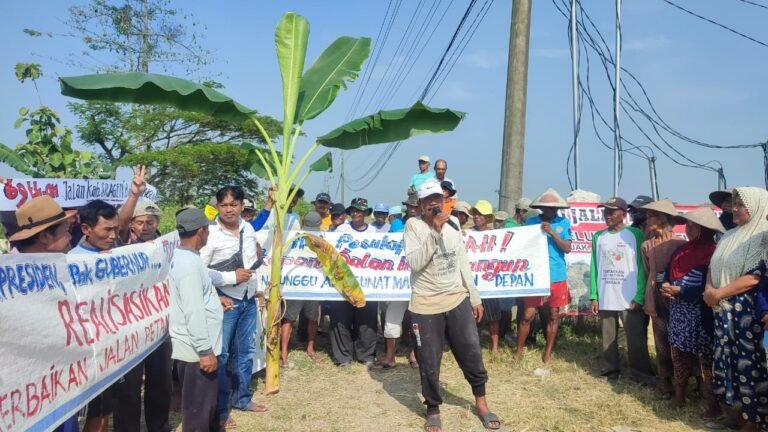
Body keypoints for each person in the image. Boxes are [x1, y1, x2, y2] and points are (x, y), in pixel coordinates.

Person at [404, 180, 499, 431]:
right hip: (425, 305)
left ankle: (482, 403)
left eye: (438, 198)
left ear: (445, 200)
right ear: (421, 205)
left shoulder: (454, 223)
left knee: (471, 353)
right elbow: (415, 263)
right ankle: (433, 408)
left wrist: (474, 296)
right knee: (429, 361)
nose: (434, 203)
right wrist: (434, 232)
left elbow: (462, 262)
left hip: (457, 299)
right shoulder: (413, 226)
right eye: (428, 200)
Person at [9, 196, 78, 432]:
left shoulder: (63, 270)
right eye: (66, 231)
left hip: (60, 384)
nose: (71, 238)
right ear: (45, 236)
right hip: (24, 398)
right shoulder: (8, 284)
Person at [200, 186, 267, 428]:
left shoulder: (248, 228)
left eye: (234, 204)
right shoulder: (209, 233)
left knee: (245, 353)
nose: (229, 209)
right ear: (217, 207)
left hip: (247, 299)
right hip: (225, 300)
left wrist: (255, 289)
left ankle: (242, 399)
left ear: (241, 206)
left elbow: (250, 262)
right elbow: (198, 269)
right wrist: (228, 280)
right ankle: (220, 410)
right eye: (224, 205)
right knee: (221, 355)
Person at [702, 187, 768, 432]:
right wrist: (710, 289)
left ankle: (754, 422)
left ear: (757, 206)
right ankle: (736, 414)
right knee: (726, 363)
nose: (734, 208)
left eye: (741, 204)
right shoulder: (728, 236)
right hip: (722, 309)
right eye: (734, 203)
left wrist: (718, 293)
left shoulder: (763, 236)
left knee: (749, 366)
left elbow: (755, 276)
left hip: (746, 313)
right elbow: (712, 266)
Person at [113, 167, 172, 432]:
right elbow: (121, 224)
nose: (144, 227)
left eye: (150, 222)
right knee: (129, 385)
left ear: (158, 223)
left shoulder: (166, 245)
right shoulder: (125, 243)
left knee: (160, 380)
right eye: (140, 222)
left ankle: (158, 426)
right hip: (129, 327)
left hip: (159, 324)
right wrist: (134, 195)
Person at [659, 207, 723, 417]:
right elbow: (668, 273)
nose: (687, 229)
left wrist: (683, 290)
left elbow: (712, 285)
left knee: (707, 360)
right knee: (679, 354)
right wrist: (667, 287)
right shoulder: (682, 250)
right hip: (679, 311)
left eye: (693, 226)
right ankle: (679, 396)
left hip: (702, 312)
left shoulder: (715, 252)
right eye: (687, 225)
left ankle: (712, 404)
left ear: (705, 229)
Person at [589, 197, 655, 384]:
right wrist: (594, 295)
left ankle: (641, 374)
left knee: (636, 339)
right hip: (606, 293)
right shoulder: (598, 237)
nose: (607, 215)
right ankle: (610, 371)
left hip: (629, 296)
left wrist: (640, 294)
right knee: (607, 337)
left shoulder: (635, 234)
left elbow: (642, 267)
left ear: (623, 215)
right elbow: (594, 266)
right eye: (605, 212)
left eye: (611, 212)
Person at [168, 208, 222, 432]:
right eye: (207, 230)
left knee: (204, 409)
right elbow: (193, 310)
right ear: (201, 231)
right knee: (198, 414)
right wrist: (204, 350)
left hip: (194, 349)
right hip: (195, 352)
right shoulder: (189, 265)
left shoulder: (181, 257)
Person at [69, 199, 121, 432]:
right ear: (86, 230)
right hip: (85, 354)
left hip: (110, 349)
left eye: (116, 229)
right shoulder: (72, 262)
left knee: (103, 410)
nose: (113, 235)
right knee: (86, 414)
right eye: (107, 230)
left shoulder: (117, 257)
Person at [637, 199, 686, 400]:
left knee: (679, 338)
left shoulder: (680, 243)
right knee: (660, 338)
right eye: (647, 216)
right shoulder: (646, 245)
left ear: (663, 219)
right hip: (655, 293)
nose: (648, 220)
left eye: (652, 216)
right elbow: (649, 271)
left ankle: (685, 380)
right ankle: (664, 380)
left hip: (674, 295)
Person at [516, 188, 572, 364]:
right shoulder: (531, 222)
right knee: (527, 315)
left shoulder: (564, 223)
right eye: (546, 207)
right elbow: (522, 244)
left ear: (557, 209)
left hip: (556, 275)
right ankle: (519, 351)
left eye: (553, 208)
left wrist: (552, 233)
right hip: (535, 274)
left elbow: (567, 247)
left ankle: (547, 352)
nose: (549, 210)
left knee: (553, 315)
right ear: (540, 208)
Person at [331, 198, 379, 367]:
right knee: (340, 319)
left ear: (366, 213)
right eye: (353, 210)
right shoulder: (341, 229)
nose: (356, 213)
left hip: (367, 284)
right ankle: (343, 357)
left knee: (366, 321)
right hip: (343, 283)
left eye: (360, 210)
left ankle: (366, 354)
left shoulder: (374, 232)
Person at [280, 211, 323, 367]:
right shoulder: (294, 237)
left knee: (308, 318)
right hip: (297, 285)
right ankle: (286, 350)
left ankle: (307, 348)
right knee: (291, 318)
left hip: (312, 284)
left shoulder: (324, 238)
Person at [471, 199, 502, 355]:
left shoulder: (495, 235)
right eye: (475, 214)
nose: (477, 217)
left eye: (480, 214)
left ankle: (495, 347)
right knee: (471, 317)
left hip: (489, 282)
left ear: (487, 218)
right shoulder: (468, 234)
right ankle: (472, 347)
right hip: (473, 283)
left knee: (493, 316)